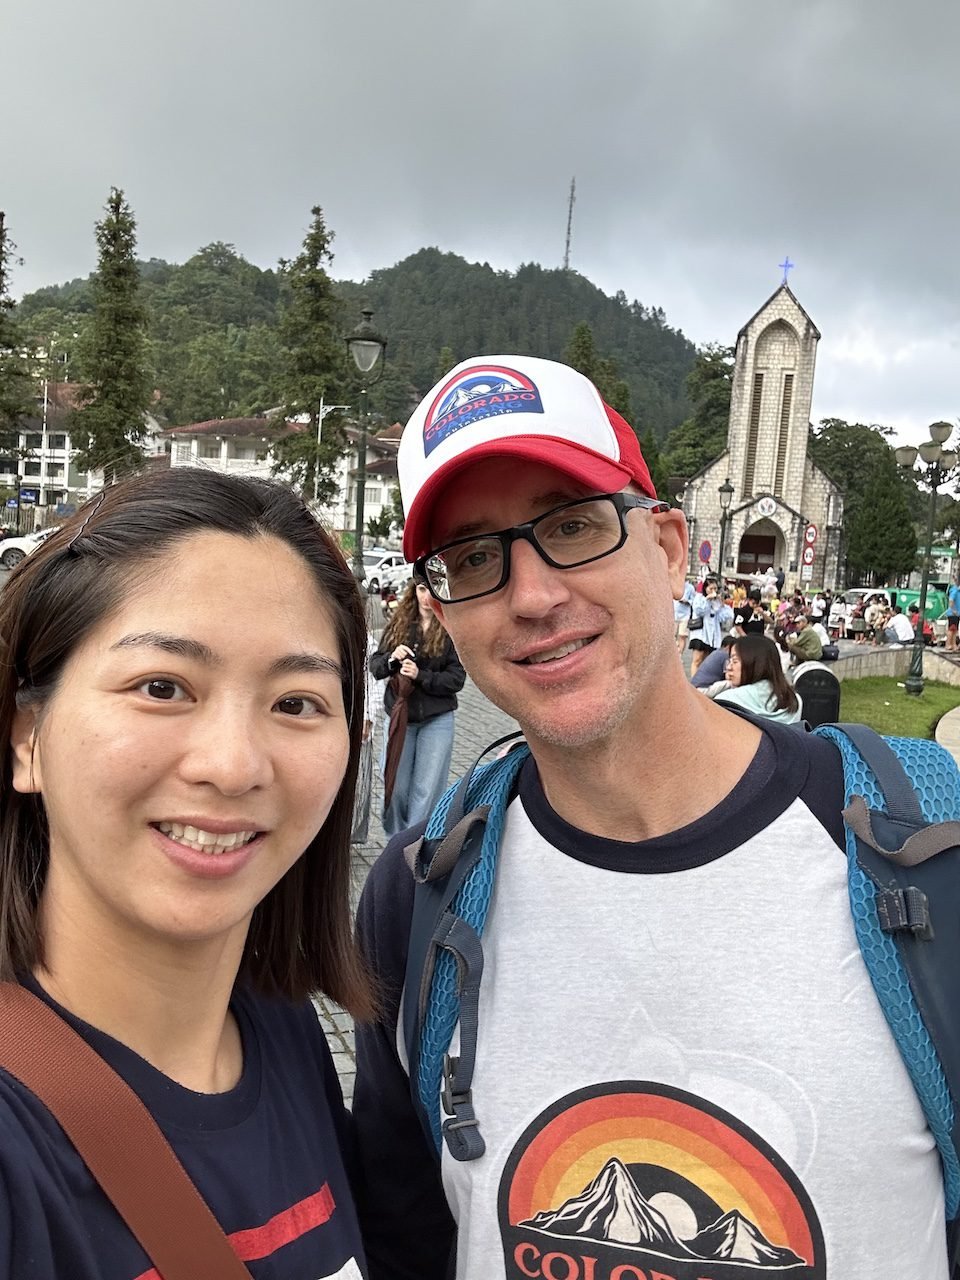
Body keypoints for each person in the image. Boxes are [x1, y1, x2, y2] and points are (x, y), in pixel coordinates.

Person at [352, 354, 948, 1279]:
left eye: (574, 526)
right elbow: (405, 1235)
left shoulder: (925, 854)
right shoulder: (421, 890)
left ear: (669, 548)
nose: (535, 595)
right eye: (473, 558)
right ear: (437, 608)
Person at [0, 470, 371, 1279]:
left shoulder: (284, 1032)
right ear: (26, 736)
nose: (233, 766)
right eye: (162, 687)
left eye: (297, 702)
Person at [369, 576, 466, 837]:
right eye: (422, 589)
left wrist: (420, 675)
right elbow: (376, 667)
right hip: (401, 717)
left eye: (431, 590)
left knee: (427, 788)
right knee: (396, 785)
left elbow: (457, 679)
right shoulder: (399, 625)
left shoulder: (450, 628)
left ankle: (415, 842)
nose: (426, 596)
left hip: (437, 718)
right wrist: (392, 659)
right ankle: (395, 841)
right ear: (414, 590)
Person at [712, 634, 804, 724]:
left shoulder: (727, 701)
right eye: (730, 661)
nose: (729, 667)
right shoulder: (795, 701)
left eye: (735, 661)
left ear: (754, 663)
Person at [688, 577, 733, 675]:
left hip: (712, 636)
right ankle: (694, 683)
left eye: (715, 589)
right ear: (705, 588)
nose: (713, 591)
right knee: (697, 659)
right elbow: (700, 611)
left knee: (706, 661)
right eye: (711, 588)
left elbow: (726, 616)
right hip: (700, 633)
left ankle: (701, 681)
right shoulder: (699, 598)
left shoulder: (716, 602)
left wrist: (722, 604)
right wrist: (707, 600)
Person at [673, 578, 696, 654]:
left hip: (685, 615)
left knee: (682, 635)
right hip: (674, 613)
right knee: (672, 635)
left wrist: (687, 601)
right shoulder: (673, 584)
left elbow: (693, 601)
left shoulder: (690, 587)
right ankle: (674, 652)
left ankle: (680, 654)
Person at [946, 578, 960, 652]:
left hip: (956, 613)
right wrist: (954, 610)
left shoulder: (957, 591)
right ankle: (948, 644)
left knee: (955, 630)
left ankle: (953, 644)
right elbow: (951, 600)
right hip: (953, 613)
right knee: (952, 629)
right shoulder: (954, 590)